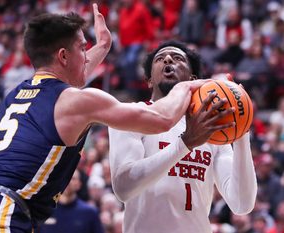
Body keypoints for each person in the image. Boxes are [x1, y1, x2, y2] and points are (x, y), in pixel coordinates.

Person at [0, 5, 211, 233]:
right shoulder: (77, 101)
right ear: (62, 55)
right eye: (83, 48)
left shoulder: (17, 94)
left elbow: (70, 78)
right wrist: (188, 86)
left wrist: (103, 46)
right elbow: (162, 119)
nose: (87, 56)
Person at [108, 40, 257, 233]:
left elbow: (242, 204)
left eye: (178, 58)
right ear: (149, 80)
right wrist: (185, 144)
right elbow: (124, 188)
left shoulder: (211, 127)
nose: (168, 59)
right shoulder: (132, 114)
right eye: (159, 59)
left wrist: (241, 128)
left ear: (193, 78)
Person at [37, 169, 104, 233]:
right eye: (65, 176)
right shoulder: (44, 210)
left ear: (79, 185)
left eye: (73, 178)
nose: (68, 181)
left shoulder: (90, 212)